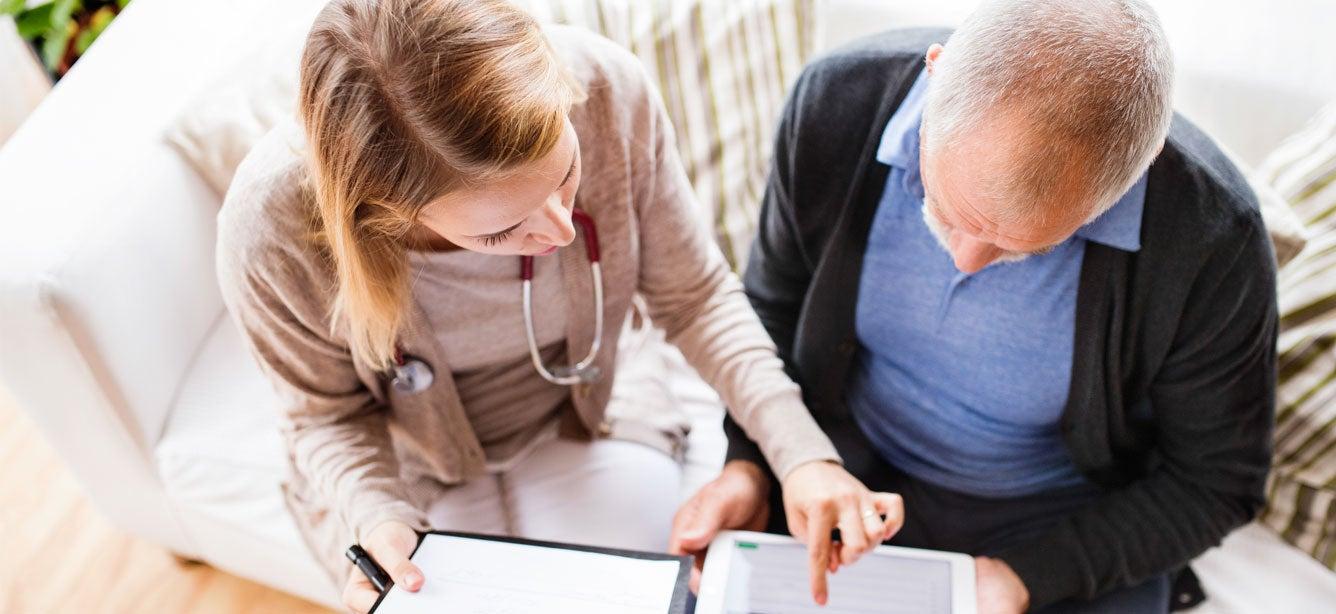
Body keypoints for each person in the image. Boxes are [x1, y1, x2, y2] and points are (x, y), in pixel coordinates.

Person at [215, 1, 903, 612]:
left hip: (594, 413)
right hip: (410, 465)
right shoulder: (270, 228)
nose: (561, 233)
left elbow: (694, 298)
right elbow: (325, 417)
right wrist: (379, 518)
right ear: (386, 214)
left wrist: (804, 455)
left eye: (566, 173)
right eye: (499, 231)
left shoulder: (607, 92)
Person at [671, 1, 1278, 612]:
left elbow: (1217, 482)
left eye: (1028, 245)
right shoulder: (835, 102)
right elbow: (771, 312)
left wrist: (1024, 577)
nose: (965, 258)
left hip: (1060, 528)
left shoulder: (1214, 236)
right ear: (935, 76)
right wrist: (752, 464)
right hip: (838, 473)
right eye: (945, 205)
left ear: (1134, 174)